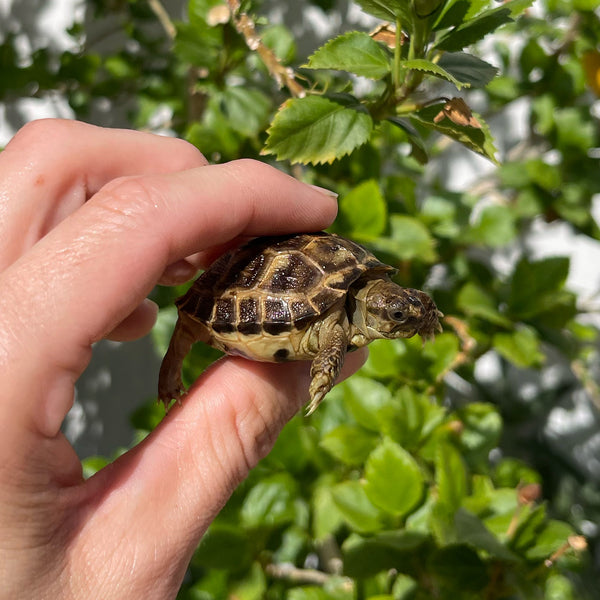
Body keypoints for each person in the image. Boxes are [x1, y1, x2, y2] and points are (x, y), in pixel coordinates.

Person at [0, 119, 367, 598]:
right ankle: (170, 371)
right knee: (190, 332)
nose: (399, 318)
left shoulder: (363, 305)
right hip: (257, 293)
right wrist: (322, 367)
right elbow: (328, 338)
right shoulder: (334, 326)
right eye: (395, 312)